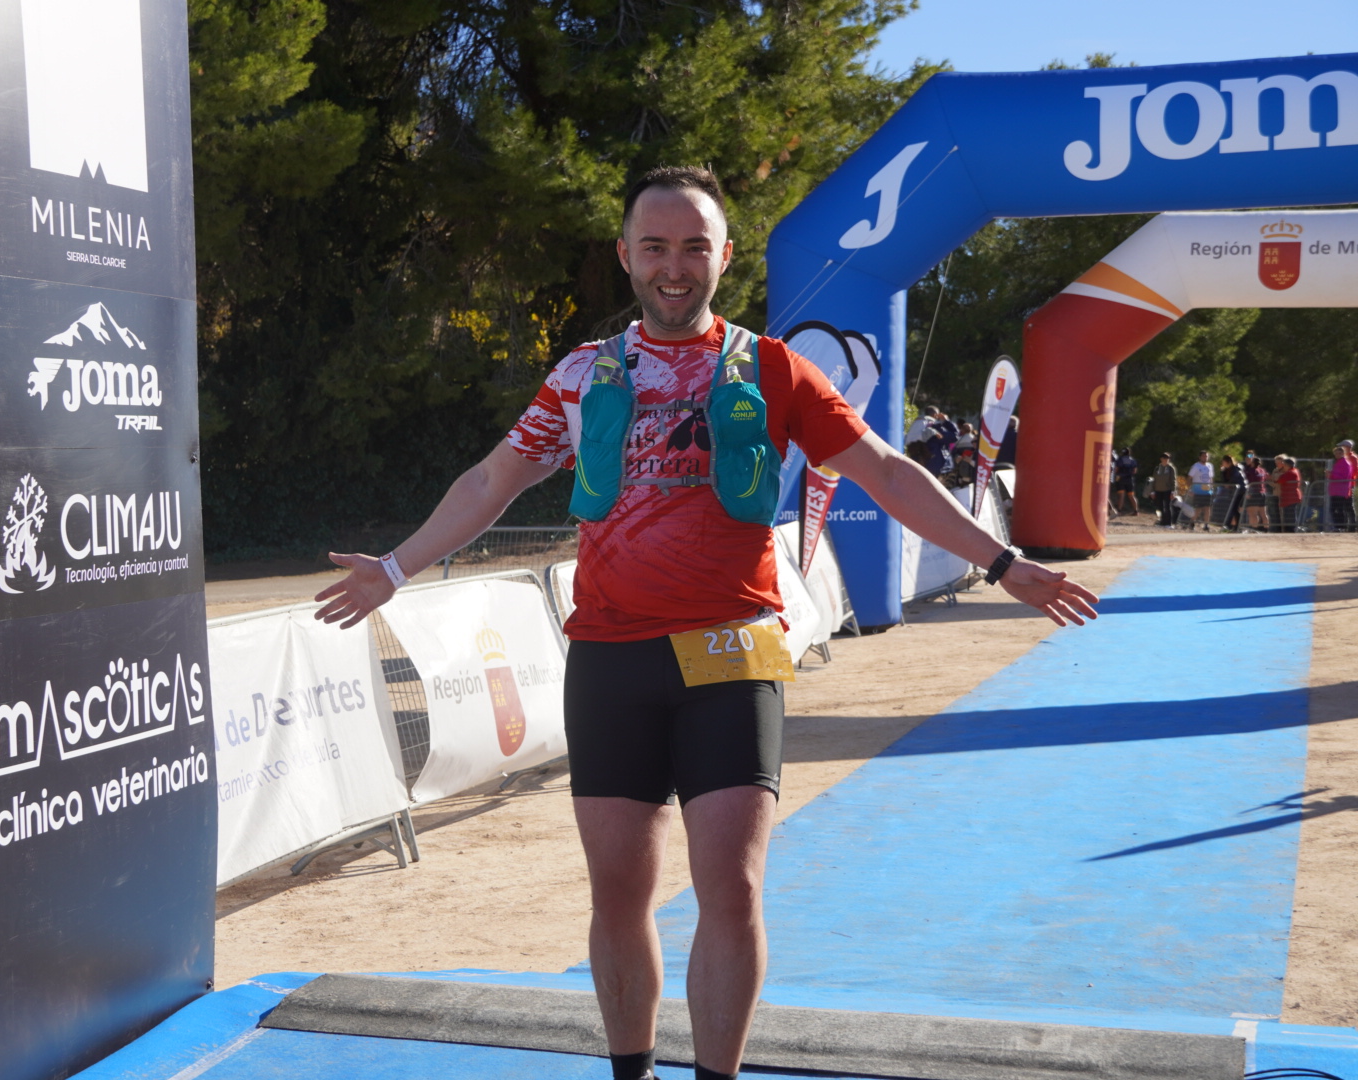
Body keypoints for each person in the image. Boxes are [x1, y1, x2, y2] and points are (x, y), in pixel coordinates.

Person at [312, 166, 1100, 1080]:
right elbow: (493, 480)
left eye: (694, 247)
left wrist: (1003, 563)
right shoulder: (582, 375)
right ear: (625, 256)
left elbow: (886, 470)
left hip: (732, 655)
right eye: (655, 247)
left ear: (726, 255)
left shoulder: (774, 369)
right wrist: (395, 568)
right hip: (611, 660)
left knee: (732, 889)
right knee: (619, 894)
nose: (674, 266)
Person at [1329, 440, 1355, 532]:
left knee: (1340, 509)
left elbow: (1345, 477)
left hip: (1341, 491)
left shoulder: (1346, 463)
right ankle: (1338, 527)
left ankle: (1342, 527)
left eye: (1339, 453)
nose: (1336, 455)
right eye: (1335, 453)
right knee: (1334, 509)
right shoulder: (1338, 463)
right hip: (1335, 490)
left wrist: (1331, 475)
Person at [1187, 450, 1214, 532]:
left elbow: (1211, 478)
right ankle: (1192, 522)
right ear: (1200, 457)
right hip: (1198, 491)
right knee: (1198, 509)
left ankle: (1206, 525)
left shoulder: (1210, 466)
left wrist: (1212, 487)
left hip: (1207, 491)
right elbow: (1189, 478)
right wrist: (1190, 489)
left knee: (1207, 508)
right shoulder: (1196, 466)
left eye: (1206, 456)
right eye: (1203, 456)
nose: (1205, 458)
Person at [1275, 455, 1304, 532]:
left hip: (1291, 497)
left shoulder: (1290, 473)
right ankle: (1290, 529)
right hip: (1290, 497)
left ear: (1287, 465)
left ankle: (1291, 530)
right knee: (1289, 514)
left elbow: (1280, 480)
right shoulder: (1294, 471)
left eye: (1284, 465)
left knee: (1289, 515)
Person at [1216, 454, 1245, 531]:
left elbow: (1235, 478)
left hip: (1239, 491)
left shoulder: (1235, 469)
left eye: (1223, 462)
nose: (1222, 463)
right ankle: (1235, 527)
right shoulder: (1227, 470)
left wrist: (1229, 484)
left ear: (1227, 462)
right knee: (1234, 509)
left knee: (1234, 508)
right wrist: (1222, 472)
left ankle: (1232, 526)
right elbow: (1225, 480)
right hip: (1233, 491)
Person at [1243, 453, 1269, 531]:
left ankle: (1254, 529)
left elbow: (1248, 481)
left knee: (1252, 513)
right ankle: (1266, 529)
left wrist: (1248, 493)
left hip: (1253, 493)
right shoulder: (1262, 470)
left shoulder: (1251, 470)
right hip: (1262, 492)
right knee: (1263, 514)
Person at [1152, 452, 1178, 528]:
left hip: (1167, 490)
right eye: (1165, 458)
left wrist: (1173, 491)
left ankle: (1168, 523)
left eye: (1168, 458)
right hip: (1158, 490)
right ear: (1161, 459)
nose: (1166, 460)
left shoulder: (1171, 468)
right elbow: (1154, 479)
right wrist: (1153, 491)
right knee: (1160, 507)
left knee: (1167, 506)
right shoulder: (1157, 468)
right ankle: (1162, 522)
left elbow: (1173, 480)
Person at [1112, 448, 1139, 517]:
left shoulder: (1120, 460)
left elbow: (1116, 469)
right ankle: (1136, 511)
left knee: (1121, 495)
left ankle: (1119, 511)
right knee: (1131, 495)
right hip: (1130, 480)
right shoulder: (1133, 460)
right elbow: (1135, 471)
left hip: (1121, 479)